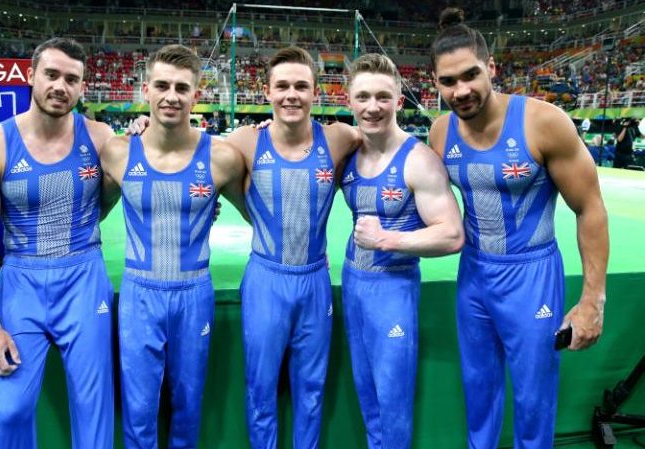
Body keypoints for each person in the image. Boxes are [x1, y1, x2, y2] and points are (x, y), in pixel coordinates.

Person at [427, 8, 609, 449]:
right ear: (434, 83)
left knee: (533, 398)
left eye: (470, 75)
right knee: (479, 390)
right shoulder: (438, 132)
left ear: (492, 69)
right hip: (473, 276)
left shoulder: (542, 122)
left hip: (531, 276)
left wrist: (592, 300)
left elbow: (589, 208)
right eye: (448, 81)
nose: (461, 90)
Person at [0, 38, 115, 449]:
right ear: (31, 76)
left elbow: (154, 169)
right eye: (51, 74)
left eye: (72, 79)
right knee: (11, 411)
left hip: (83, 277)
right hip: (22, 281)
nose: (60, 86)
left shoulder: (101, 139)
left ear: (83, 87)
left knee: (93, 406)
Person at [99, 44, 247, 449]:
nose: (171, 96)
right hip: (139, 295)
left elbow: (261, 215)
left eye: (182, 87)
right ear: (145, 90)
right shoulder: (117, 152)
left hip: (194, 294)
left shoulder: (222, 158)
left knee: (188, 405)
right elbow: (90, 216)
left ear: (197, 95)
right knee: (139, 407)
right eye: (162, 85)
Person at [226, 46, 360, 449]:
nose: (291, 95)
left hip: (315, 280)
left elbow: (385, 135)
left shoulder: (339, 138)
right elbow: (187, 148)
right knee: (260, 386)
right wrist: (141, 125)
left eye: (301, 86)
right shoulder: (245, 142)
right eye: (282, 86)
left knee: (311, 388)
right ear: (265, 92)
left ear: (315, 93)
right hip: (266, 280)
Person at [339, 53, 464, 449]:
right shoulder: (349, 150)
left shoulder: (419, 161)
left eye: (382, 97)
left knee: (392, 402)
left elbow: (452, 235)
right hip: (352, 283)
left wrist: (389, 240)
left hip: (393, 290)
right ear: (349, 101)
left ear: (399, 102)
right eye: (363, 97)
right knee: (367, 396)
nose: (372, 107)